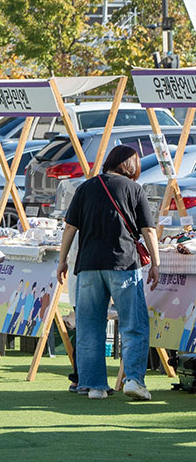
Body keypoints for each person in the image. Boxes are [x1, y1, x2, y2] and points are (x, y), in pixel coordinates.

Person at [56, 145, 160, 402]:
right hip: (124, 265)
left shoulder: (85, 188)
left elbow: (70, 228)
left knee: (89, 326)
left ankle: (94, 386)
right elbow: (148, 230)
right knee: (133, 324)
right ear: (132, 167)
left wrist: (62, 262)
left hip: (89, 265)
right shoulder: (135, 189)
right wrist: (156, 263)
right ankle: (134, 380)